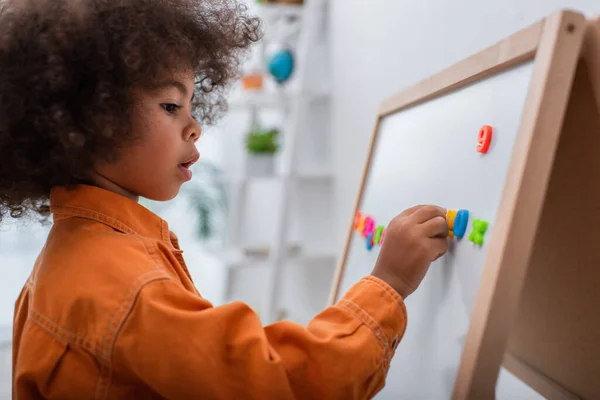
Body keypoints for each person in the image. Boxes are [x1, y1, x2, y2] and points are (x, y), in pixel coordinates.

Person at [0, 0, 449, 398]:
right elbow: (282, 384)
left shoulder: (76, 253)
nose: (195, 127)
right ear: (92, 120)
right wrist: (389, 284)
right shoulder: (122, 283)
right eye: (171, 106)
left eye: (194, 107)